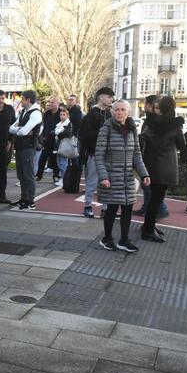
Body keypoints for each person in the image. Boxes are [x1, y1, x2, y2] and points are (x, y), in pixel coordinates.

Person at [94, 100, 150, 253]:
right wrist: (104, 176)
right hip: (111, 177)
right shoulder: (106, 129)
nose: (119, 112)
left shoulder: (132, 129)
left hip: (127, 178)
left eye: (122, 110)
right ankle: (106, 238)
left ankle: (124, 240)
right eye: (116, 110)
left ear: (128, 112)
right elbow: (99, 155)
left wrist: (144, 173)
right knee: (111, 209)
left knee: (127, 209)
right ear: (112, 112)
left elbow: (136, 155)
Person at [139, 95, 184, 243]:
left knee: (152, 198)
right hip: (165, 166)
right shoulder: (174, 126)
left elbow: (142, 141)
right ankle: (148, 230)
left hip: (150, 165)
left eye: (157, 108)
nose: (156, 110)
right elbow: (181, 145)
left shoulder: (149, 123)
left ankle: (148, 225)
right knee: (156, 200)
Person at [78, 86, 114, 217]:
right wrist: (102, 133)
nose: (111, 100)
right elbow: (84, 134)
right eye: (109, 97)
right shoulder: (91, 114)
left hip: (107, 154)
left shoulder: (109, 113)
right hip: (94, 153)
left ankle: (105, 208)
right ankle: (88, 205)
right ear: (101, 97)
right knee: (92, 181)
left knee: (106, 181)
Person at [134, 94, 167, 218]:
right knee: (148, 185)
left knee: (150, 186)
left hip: (152, 158)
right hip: (149, 157)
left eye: (145, 103)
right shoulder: (151, 119)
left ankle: (159, 210)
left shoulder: (155, 121)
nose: (144, 106)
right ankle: (147, 208)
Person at [8, 89, 42, 210]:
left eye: (22, 98)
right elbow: (11, 128)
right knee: (21, 174)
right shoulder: (23, 112)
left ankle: (31, 200)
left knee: (28, 174)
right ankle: (24, 198)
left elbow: (23, 131)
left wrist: (20, 129)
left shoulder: (35, 113)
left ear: (28, 99)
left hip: (29, 147)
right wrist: (20, 129)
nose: (20, 101)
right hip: (20, 146)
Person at [37, 96, 61, 182]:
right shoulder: (47, 114)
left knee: (54, 159)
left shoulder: (61, 113)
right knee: (42, 158)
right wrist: (43, 136)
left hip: (56, 140)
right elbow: (44, 126)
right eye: (50, 102)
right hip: (46, 140)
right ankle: (39, 175)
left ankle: (56, 175)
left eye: (53, 102)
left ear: (58, 104)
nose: (50, 104)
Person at [53, 105, 74, 187]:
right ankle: (62, 179)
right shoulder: (59, 124)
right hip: (58, 145)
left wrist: (58, 134)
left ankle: (64, 180)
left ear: (67, 115)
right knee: (59, 163)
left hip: (64, 146)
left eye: (63, 114)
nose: (61, 116)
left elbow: (67, 133)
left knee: (63, 163)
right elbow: (55, 132)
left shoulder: (68, 124)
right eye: (60, 115)